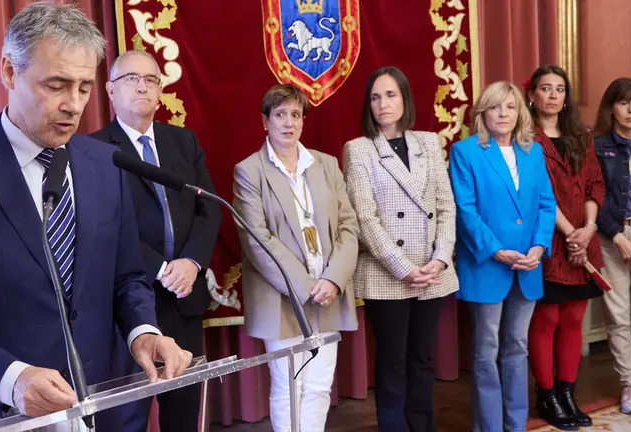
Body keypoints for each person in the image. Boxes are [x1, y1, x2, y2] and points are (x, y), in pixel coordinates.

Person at [0, 3, 190, 431]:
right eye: (56, 85)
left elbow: (127, 276)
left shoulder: (106, 163)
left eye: (84, 88)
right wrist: (12, 379)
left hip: (104, 405)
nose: (73, 105)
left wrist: (142, 332)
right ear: (9, 71)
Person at [90, 50, 222, 431]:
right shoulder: (93, 151)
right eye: (131, 78)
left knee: (183, 415)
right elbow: (103, 225)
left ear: (161, 90)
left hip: (184, 299)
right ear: (110, 91)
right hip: (130, 309)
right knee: (127, 419)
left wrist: (191, 263)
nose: (142, 86)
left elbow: (209, 207)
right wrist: (161, 269)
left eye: (151, 79)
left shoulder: (183, 141)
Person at [232, 84, 359, 432]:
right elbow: (257, 239)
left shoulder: (326, 165)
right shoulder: (249, 171)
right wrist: (305, 288)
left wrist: (332, 279)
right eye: (280, 114)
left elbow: (348, 226)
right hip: (283, 298)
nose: (289, 122)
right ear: (265, 121)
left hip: (328, 292)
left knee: (319, 384)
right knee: (289, 385)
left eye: (295, 114)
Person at [342, 66, 458, 432]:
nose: (383, 104)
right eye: (375, 97)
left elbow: (446, 206)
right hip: (387, 274)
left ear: (405, 99)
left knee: (422, 359)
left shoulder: (428, 142)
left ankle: (422, 427)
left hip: (432, 272)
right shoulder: (359, 149)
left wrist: (440, 258)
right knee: (392, 362)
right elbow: (364, 217)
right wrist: (403, 267)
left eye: (390, 95)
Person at [449, 81, 556, 432]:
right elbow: (465, 211)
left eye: (510, 107)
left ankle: (515, 424)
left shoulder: (533, 151)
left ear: (520, 112)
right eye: (495, 107)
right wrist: (497, 251)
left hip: (528, 265)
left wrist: (538, 247)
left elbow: (546, 205)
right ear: (482, 112)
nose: (503, 114)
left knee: (518, 346)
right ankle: (489, 427)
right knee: (486, 349)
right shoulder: (466, 152)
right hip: (487, 264)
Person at [524, 65, 605, 430]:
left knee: (574, 319)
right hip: (548, 240)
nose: (554, 95)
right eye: (546, 88)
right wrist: (572, 234)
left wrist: (587, 229)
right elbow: (538, 194)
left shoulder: (580, 136)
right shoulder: (525, 138)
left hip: (583, 238)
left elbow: (594, 184)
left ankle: (568, 393)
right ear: (532, 95)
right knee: (547, 319)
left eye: (560, 89)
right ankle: (547, 396)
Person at [593, 77, 631, 416]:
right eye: (624, 102)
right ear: (612, 107)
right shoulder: (598, 147)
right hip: (613, 239)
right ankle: (630, 386)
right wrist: (619, 237)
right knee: (619, 316)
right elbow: (595, 198)